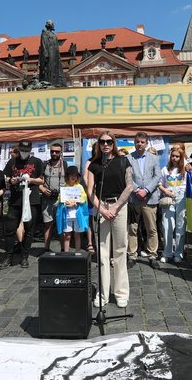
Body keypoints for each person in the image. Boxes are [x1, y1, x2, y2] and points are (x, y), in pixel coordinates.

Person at [86, 131, 133, 308]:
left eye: (109, 141)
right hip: (101, 208)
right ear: (98, 144)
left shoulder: (123, 161)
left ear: (114, 143)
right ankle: (103, 293)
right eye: (102, 141)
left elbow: (129, 186)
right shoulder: (94, 165)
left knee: (120, 250)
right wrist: (102, 209)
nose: (106, 144)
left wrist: (114, 208)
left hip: (119, 207)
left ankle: (121, 293)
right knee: (103, 253)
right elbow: (91, 191)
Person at [1, 140, 44, 269]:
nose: (24, 153)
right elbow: (5, 177)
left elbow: (41, 180)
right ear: (18, 149)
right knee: (9, 229)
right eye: (22, 150)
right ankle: (9, 256)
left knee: (29, 229)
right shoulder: (12, 161)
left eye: (26, 151)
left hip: (31, 200)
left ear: (30, 150)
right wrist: (11, 180)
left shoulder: (37, 162)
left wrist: (30, 179)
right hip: (15, 200)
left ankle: (24, 256)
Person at [126, 132, 162, 268]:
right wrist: (136, 190)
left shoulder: (154, 158)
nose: (139, 144)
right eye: (137, 142)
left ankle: (153, 255)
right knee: (132, 229)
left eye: (142, 142)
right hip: (134, 199)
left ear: (147, 143)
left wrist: (146, 190)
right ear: (134, 143)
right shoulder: (128, 158)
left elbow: (157, 176)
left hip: (149, 198)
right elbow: (127, 176)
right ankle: (132, 255)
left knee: (151, 228)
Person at [157, 147, 187, 263]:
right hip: (168, 198)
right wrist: (166, 192)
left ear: (181, 157)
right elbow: (159, 184)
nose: (174, 158)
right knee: (167, 226)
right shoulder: (165, 169)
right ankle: (167, 252)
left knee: (180, 227)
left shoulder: (185, 169)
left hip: (181, 198)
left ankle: (178, 253)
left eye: (177, 156)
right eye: (173, 156)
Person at [39, 141, 67, 251]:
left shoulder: (65, 164)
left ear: (61, 152)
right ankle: (46, 249)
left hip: (61, 199)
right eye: (52, 151)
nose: (54, 153)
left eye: (57, 151)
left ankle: (63, 250)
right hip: (47, 199)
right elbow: (40, 180)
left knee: (61, 225)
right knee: (47, 224)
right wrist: (42, 188)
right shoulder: (45, 164)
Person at [56, 166, 88, 252]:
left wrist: (76, 202)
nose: (74, 177)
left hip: (77, 215)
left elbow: (84, 198)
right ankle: (66, 254)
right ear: (67, 176)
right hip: (67, 215)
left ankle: (78, 253)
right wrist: (64, 203)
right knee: (67, 236)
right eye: (71, 175)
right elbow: (60, 199)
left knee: (77, 235)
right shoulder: (64, 187)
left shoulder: (80, 186)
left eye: (75, 175)